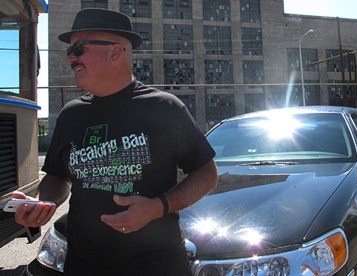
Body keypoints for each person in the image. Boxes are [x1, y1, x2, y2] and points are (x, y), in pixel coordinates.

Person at [12, 8, 218, 275]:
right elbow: (57, 176)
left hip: (157, 264)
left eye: (79, 48)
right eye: (69, 51)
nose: (71, 57)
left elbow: (207, 173)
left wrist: (158, 207)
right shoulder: (71, 114)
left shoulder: (164, 107)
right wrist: (41, 202)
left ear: (115, 52)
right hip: (81, 263)